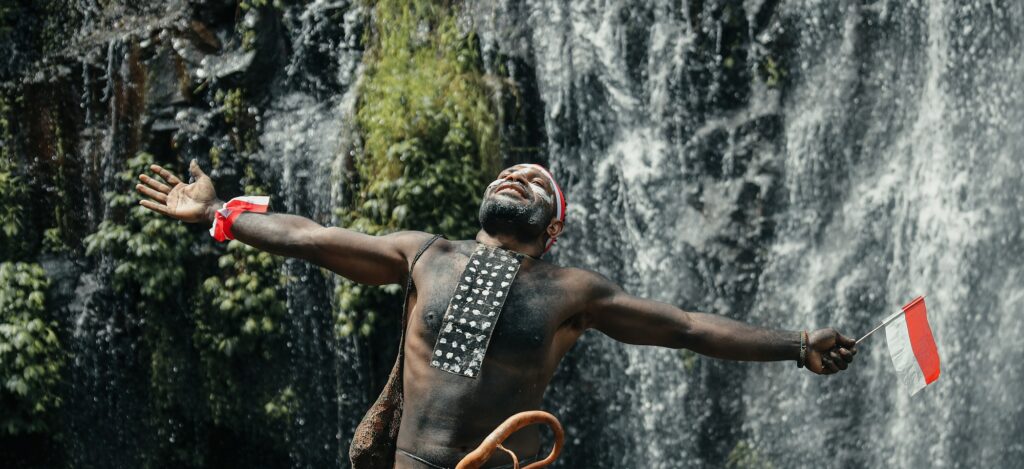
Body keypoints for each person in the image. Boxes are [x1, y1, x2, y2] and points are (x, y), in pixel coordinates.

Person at [136, 160, 857, 469]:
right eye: (510, 175)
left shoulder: (574, 292)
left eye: (537, 184)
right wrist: (219, 213)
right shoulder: (426, 254)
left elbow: (688, 327)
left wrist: (795, 342)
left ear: (552, 231)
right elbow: (314, 239)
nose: (519, 176)